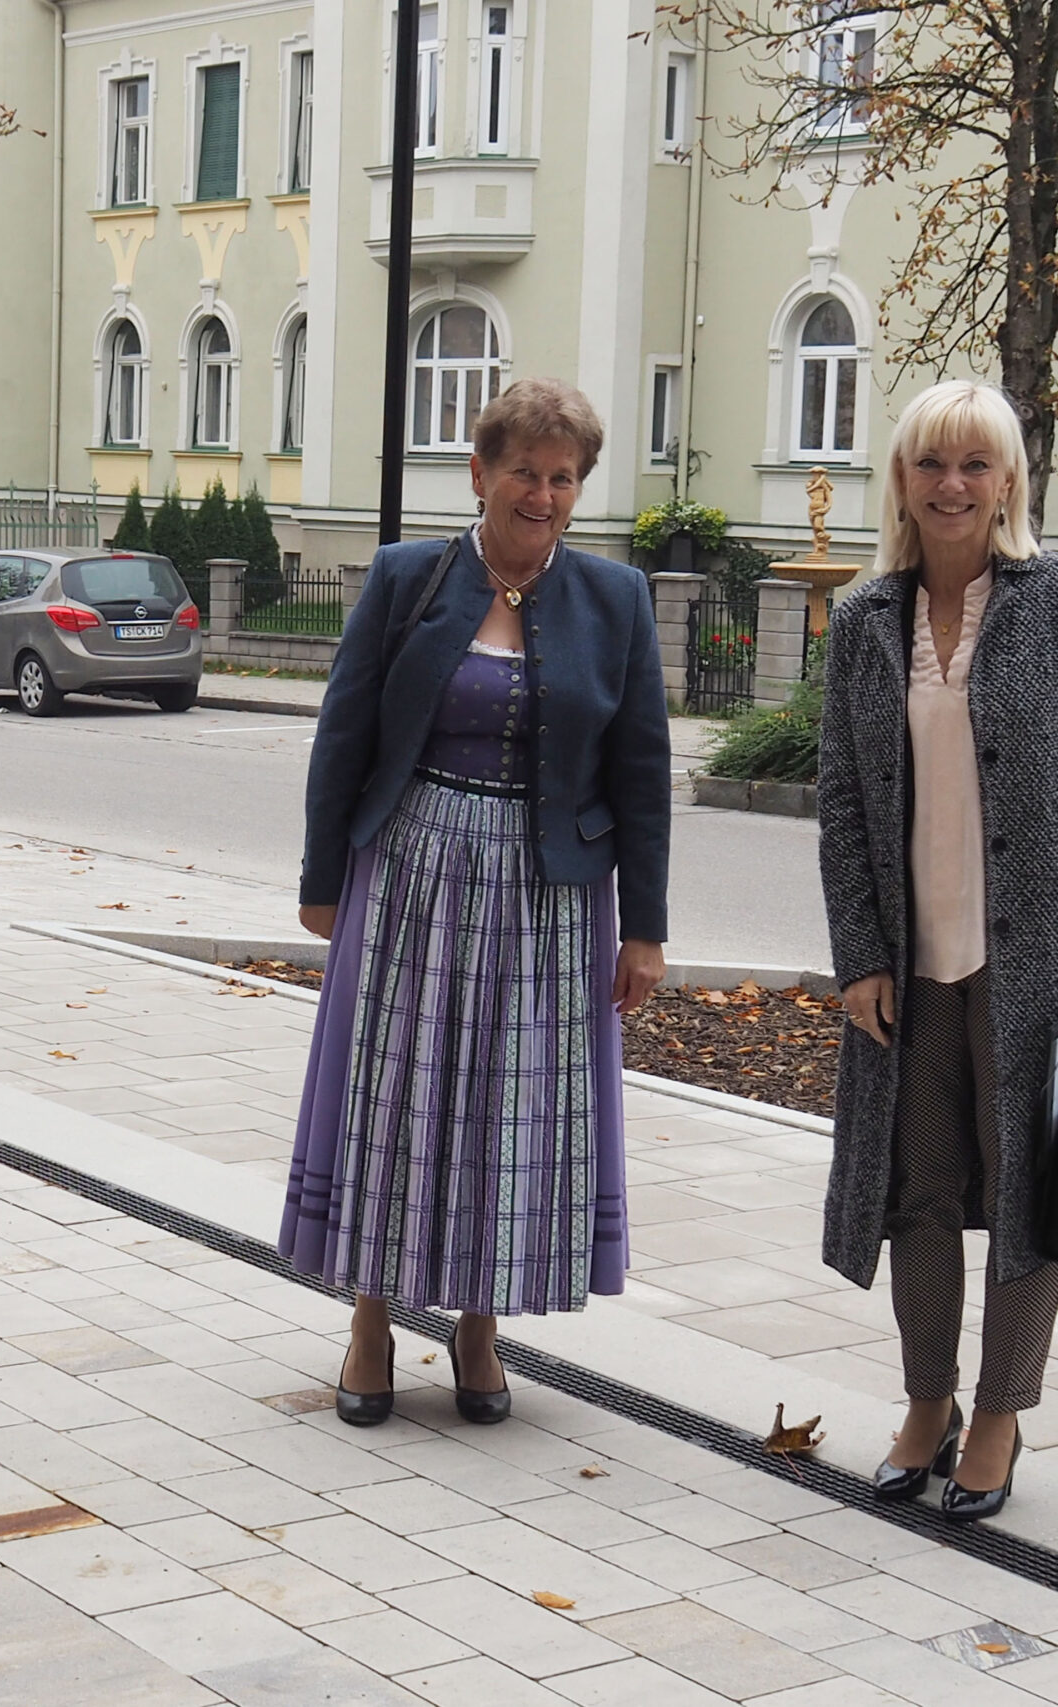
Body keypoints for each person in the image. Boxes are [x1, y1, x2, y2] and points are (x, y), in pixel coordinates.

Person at [282, 377, 671, 1427]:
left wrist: (646, 926)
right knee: (394, 1094)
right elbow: (344, 732)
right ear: (478, 473)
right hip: (410, 869)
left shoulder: (615, 601)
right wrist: (324, 881)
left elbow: (640, 768)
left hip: (551, 894)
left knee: (512, 1104)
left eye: (562, 477)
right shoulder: (411, 577)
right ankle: (369, 1318)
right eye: (522, 472)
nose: (540, 494)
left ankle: (480, 1326)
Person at [816, 378, 1058, 1521]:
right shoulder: (864, 618)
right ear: (901, 480)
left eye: (974, 465)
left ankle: (999, 1414)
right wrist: (857, 952)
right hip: (911, 963)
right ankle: (926, 1402)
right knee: (918, 1191)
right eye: (929, 464)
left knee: (1025, 1190)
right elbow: (843, 805)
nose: (951, 485)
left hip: (1045, 956)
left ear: (1007, 479)